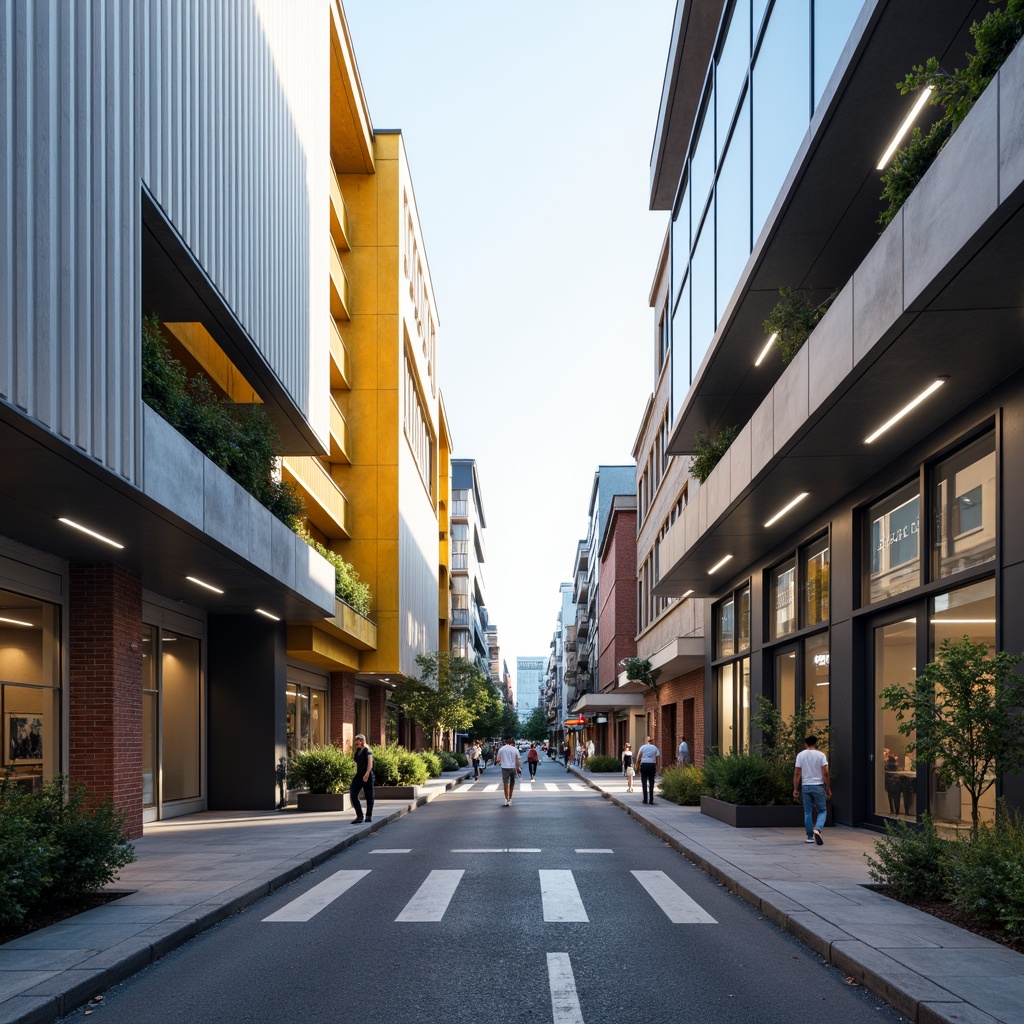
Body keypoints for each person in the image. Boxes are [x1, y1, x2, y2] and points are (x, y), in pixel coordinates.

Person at [794, 734, 831, 844]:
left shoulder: (800, 755)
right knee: (822, 810)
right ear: (815, 743)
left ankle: (809, 837)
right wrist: (828, 787)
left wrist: (795, 788)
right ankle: (818, 828)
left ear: (806, 744)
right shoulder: (821, 755)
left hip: (806, 786)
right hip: (818, 785)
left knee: (808, 812)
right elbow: (825, 772)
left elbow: (797, 772)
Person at [350, 734, 374, 824]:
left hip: (367, 775)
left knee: (369, 796)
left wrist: (367, 774)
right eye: (356, 740)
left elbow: (370, 764)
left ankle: (368, 816)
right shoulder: (358, 751)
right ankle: (359, 816)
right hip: (359, 775)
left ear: (363, 741)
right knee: (353, 794)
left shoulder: (368, 751)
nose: (357, 742)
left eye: (359, 740)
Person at [496, 736, 522, 806]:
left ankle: (506, 799)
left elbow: (498, 759)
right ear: (511, 743)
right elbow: (518, 760)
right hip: (513, 768)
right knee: (512, 783)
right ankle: (510, 798)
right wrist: (518, 768)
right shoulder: (515, 749)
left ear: (506, 743)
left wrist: (500, 762)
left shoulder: (501, 749)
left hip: (504, 768)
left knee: (505, 783)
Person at [636, 735, 660, 805]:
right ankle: (651, 800)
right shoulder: (655, 748)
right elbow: (657, 757)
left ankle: (645, 799)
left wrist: (637, 765)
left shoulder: (643, 747)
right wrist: (656, 765)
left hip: (644, 764)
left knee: (644, 782)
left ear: (647, 741)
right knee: (651, 783)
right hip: (651, 764)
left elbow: (639, 757)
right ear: (653, 742)